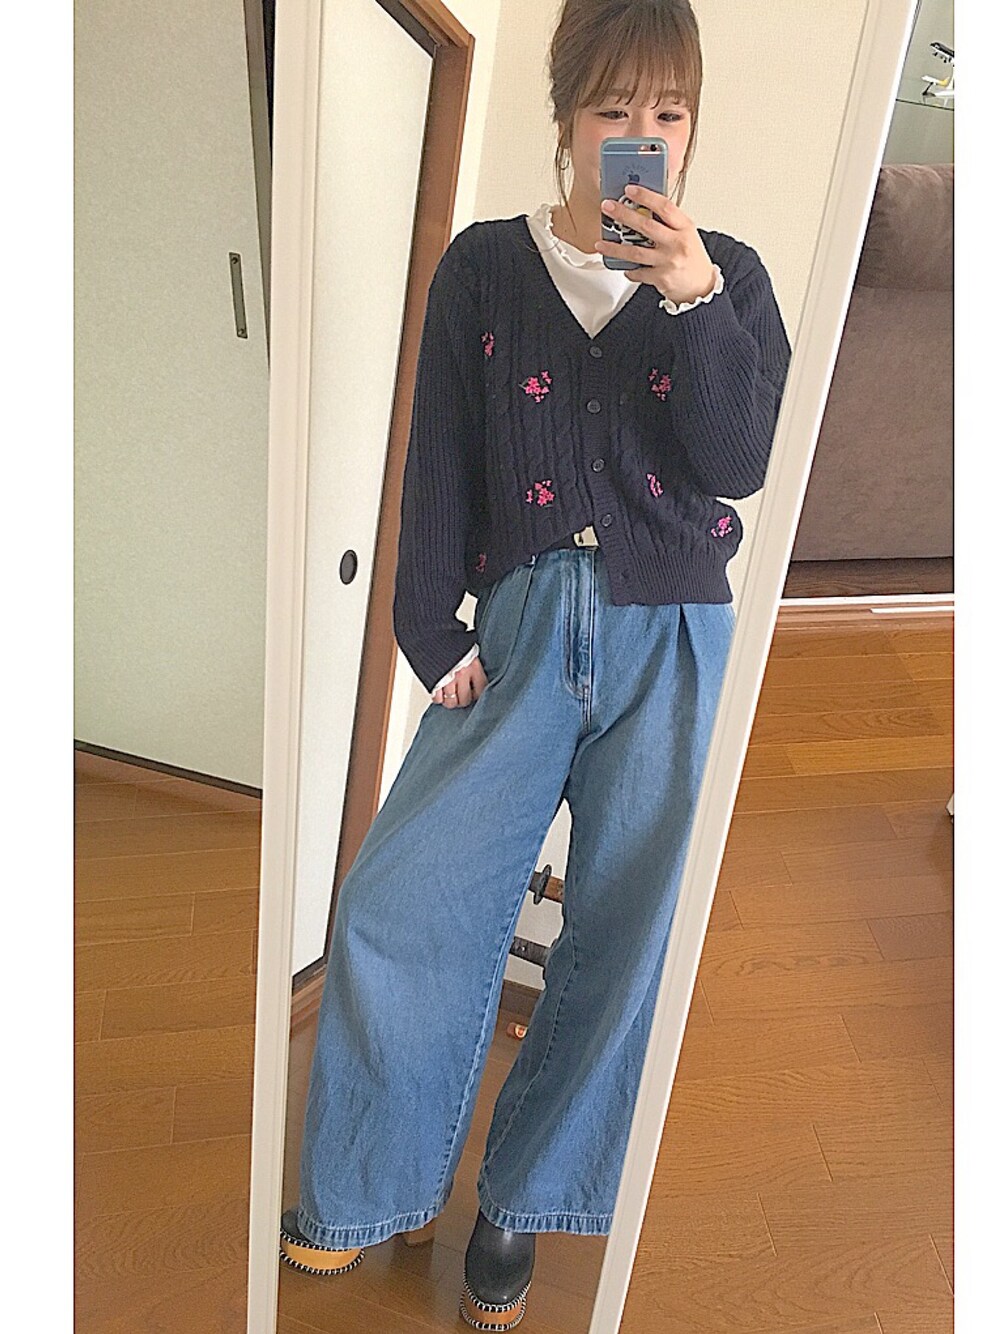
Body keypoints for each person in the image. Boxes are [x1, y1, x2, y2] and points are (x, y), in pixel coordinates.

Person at [279, 2, 791, 1328]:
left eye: (668, 113)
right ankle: (372, 1182)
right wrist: (429, 627)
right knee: (398, 905)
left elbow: (738, 461)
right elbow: (440, 451)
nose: (642, 135)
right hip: (514, 627)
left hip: (672, 632)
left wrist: (692, 300)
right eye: (615, 109)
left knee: (621, 936)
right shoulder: (485, 269)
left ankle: (519, 1207)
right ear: (565, 118)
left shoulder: (729, 280)